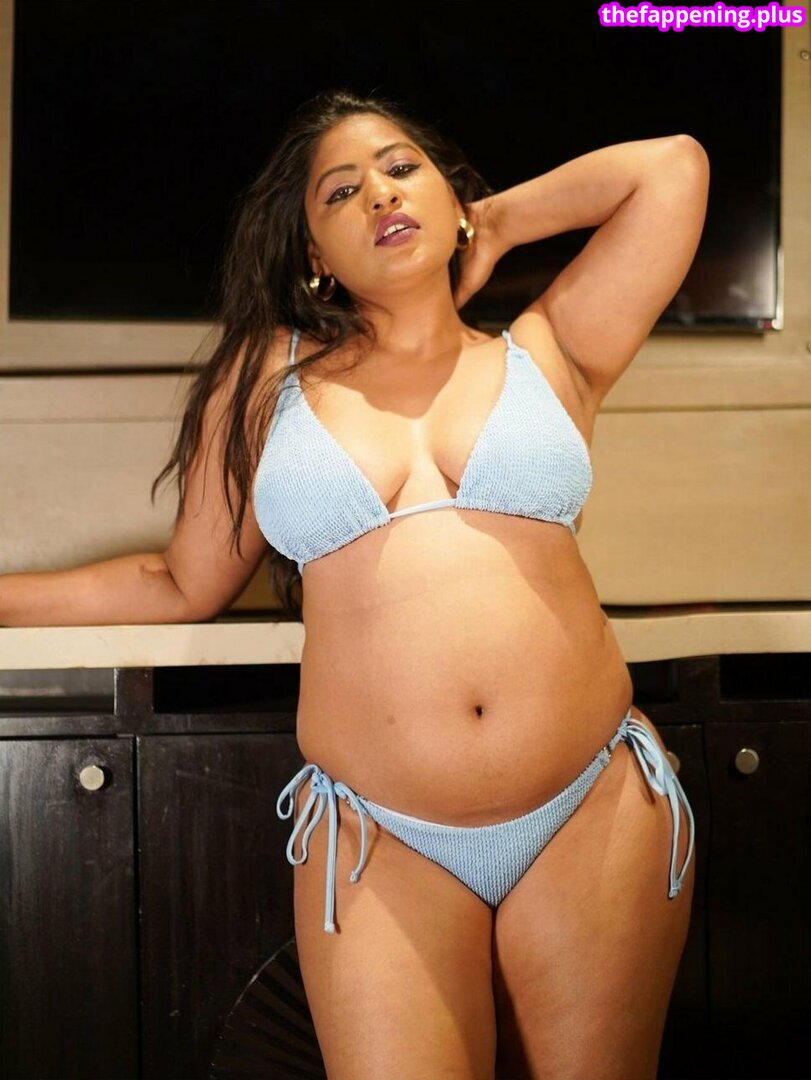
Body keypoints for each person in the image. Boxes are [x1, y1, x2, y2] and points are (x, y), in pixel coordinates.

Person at [2, 87, 709, 1080]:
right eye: (340, 191)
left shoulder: (552, 348)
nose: (380, 191)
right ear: (313, 256)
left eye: (402, 168)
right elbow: (177, 583)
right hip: (380, 836)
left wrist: (495, 220)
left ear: (450, 198)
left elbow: (671, 167)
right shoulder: (270, 378)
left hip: (590, 803)